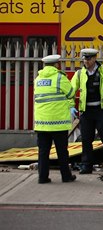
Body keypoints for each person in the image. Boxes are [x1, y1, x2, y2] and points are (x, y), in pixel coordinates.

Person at [71, 48, 103, 174]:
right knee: (86, 139)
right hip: (86, 111)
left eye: (88, 58)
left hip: (102, 109)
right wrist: (71, 105)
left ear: (94, 58)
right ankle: (86, 165)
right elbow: (71, 91)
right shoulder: (79, 74)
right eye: (84, 58)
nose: (85, 61)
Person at [33, 54, 76, 184]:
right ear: (57, 64)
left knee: (43, 152)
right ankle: (66, 176)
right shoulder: (59, 78)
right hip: (58, 123)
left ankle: (42, 177)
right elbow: (71, 93)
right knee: (62, 151)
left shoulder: (38, 79)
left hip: (42, 123)